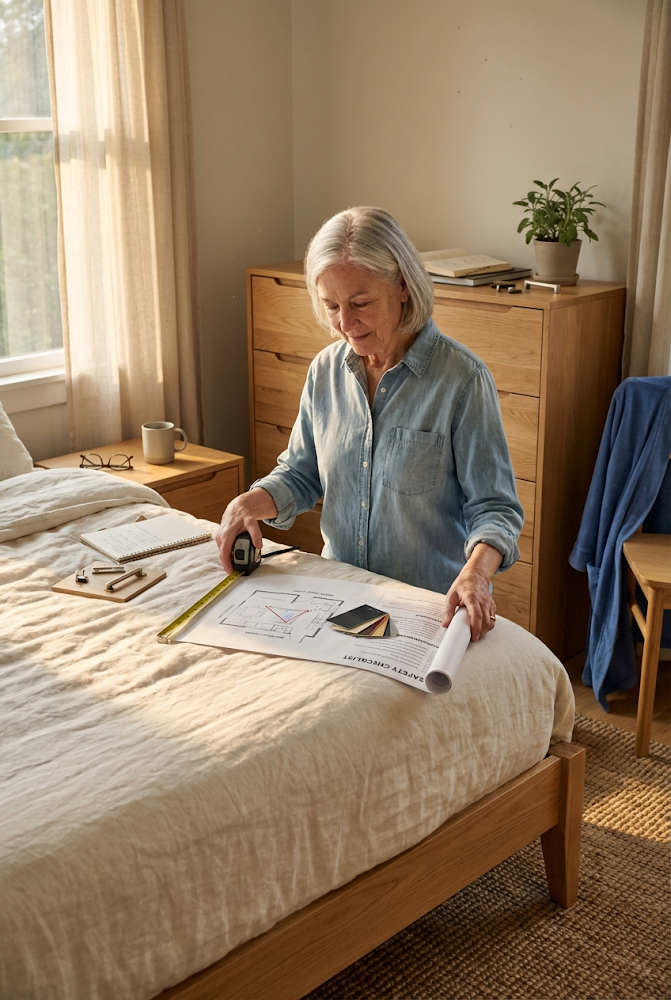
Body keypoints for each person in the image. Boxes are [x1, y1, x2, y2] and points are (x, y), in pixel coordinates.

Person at [216, 207, 523, 641]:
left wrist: (476, 574)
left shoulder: (462, 381)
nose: (345, 324)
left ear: (403, 286)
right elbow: (301, 475)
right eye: (331, 307)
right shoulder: (325, 372)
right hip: (338, 600)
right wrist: (247, 504)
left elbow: (495, 509)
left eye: (360, 304)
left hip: (425, 608)